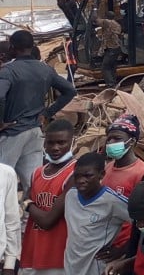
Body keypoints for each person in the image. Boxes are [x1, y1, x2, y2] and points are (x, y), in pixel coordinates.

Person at [0, 30, 76, 191]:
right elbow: (70, 91)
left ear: (12, 47)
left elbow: (0, 97)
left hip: (12, 132)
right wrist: (47, 113)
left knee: (2, 181)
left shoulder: (8, 71)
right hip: (35, 130)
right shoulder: (45, 69)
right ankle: (35, 215)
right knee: (33, 182)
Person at [21, 118, 77, 275]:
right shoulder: (37, 172)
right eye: (50, 143)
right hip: (32, 251)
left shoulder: (75, 173)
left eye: (61, 142)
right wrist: (27, 203)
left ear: (72, 142)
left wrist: (27, 204)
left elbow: (47, 221)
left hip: (57, 256)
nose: (55, 148)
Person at [64, 152, 129, 275]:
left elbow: (142, 221)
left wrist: (122, 250)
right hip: (71, 265)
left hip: (96, 267)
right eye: (77, 176)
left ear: (101, 174)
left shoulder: (112, 201)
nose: (81, 180)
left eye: (88, 176)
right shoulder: (70, 196)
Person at [102, 114, 144, 253]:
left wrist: (124, 249)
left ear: (132, 141)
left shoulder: (141, 173)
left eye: (117, 138)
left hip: (122, 245)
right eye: (109, 139)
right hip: (103, 239)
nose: (111, 143)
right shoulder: (108, 167)